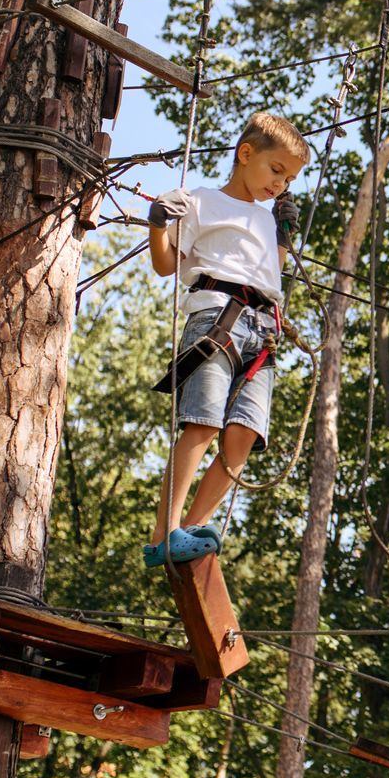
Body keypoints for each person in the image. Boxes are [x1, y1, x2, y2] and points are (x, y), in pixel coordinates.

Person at [142, 112, 309, 566]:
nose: (280, 185)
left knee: (243, 437)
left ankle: (192, 528)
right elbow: (165, 265)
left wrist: (282, 235)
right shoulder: (201, 201)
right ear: (245, 154)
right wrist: (158, 223)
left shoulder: (267, 217)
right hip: (218, 317)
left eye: (289, 179)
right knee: (203, 421)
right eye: (276, 170)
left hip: (264, 328)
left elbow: (268, 273)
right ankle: (165, 532)